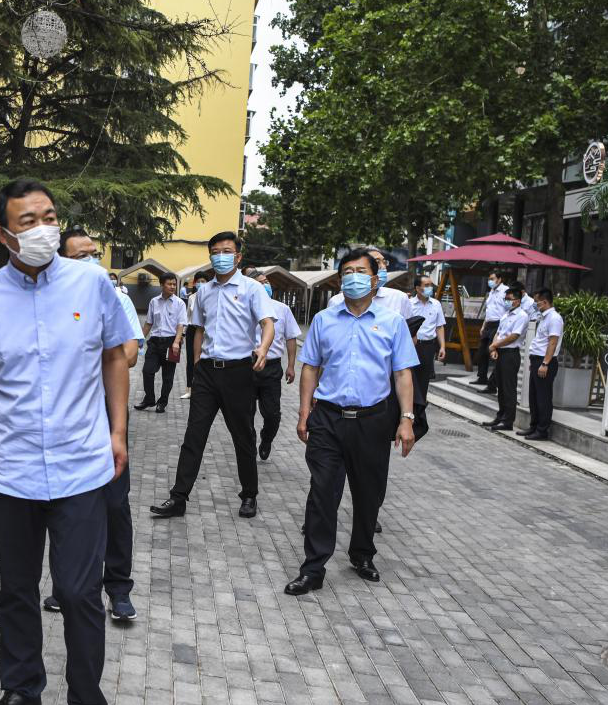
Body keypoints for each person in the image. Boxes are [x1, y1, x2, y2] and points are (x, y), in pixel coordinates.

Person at [0, 179, 132, 705]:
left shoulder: (91, 284)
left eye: (49, 216)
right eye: (28, 221)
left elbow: (115, 355)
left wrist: (118, 431)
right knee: (16, 590)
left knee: (78, 593)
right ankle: (22, 692)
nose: (45, 228)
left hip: (81, 468)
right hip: (11, 470)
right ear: (3, 234)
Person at [285, 247, 418, 596]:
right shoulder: (323, 320)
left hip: (373, 420)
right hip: (328, 418)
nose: (353, 278)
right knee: (322, 492)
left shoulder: (392, 322)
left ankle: (362, 554)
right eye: (347, 272)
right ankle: (313, 568)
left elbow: (402, 373)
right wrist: (304, 412)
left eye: (360, 272)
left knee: (368, 493)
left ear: (375, 280)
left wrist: (406, 419)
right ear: (339, 279)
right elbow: (310, 367)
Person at [41, 228, 144, 621]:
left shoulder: (115, 297)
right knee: (64, 501)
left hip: (105, 408)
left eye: (94, 253)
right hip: (64, 413)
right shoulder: (47, 301)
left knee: (114, 502)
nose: (91, 261)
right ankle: (66, 586)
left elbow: (128, 354)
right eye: (80, 255)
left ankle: (118, 588)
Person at [150, 233, 274, 520]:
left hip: (239, 372)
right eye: (215, 252)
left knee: (243, 436)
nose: (221, 256)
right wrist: (196, 365)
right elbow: (199, 330)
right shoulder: (203, 292)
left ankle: (249, 494)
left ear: (238, 257)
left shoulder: (252, 289)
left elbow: (267, 323)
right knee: (194, 435)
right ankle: (178, 498)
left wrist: (264, 348)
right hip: (207, 372)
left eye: (226, 251)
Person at [245, 267, 302, 460]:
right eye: (260, 283)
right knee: (246, 412)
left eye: (266, 282)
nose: (265, 286)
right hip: (246, 366)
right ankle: (250, 442)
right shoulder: (243, 307)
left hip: (271, 368)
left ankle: (266, 438)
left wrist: (291, 365)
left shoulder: (282, 309)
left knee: (272, 414)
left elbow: (291, 338)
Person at [136, 272, 186, 413]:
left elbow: (181, 325)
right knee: (147, 371)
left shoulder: (179, 303)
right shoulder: (154, 302)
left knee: (168, 376)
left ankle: (162, 402)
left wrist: (176, 342)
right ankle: (149, 399)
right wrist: (140, 339)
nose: (173, 287)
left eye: (174, 284)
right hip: (155, 342)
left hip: (171, 342)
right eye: (169, 284)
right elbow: (148, 323)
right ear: (162, 285)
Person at [483, 282, 529, 432]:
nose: (506, 301)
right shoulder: (505, 315)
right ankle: (500, 416)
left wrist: (495, 345)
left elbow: (513, 336)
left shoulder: (522, 316)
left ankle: (508, 421)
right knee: (501, 388)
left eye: (509, 299)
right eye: (505, 299)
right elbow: (499, 332)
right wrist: (494, 348)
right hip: (500, 352)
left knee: (509, 388)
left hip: (510, 354)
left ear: (517, 300)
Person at [520, 288, 563, 441]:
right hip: (537, 360)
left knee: (543, 398)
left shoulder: (554, 318)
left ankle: (542, 430)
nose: (535, 305)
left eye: (537, 302)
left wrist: (545, 363)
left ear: (544, 302)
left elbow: (552, 342)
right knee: (533, 396)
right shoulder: (544, 317)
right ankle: (534, 426)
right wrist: (535, 362)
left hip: (546, 361)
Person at [326, 247, 412, 319]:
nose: (383, 267)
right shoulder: (336, 301)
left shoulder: (399, 298)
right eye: (377, 262)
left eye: (384, 262)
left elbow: (409, 330)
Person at [408, 274, 447, 401]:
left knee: (424, 379)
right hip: (412, 346)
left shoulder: (436, 304)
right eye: (426, 285)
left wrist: (442, 347)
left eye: (431, 285)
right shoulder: (409, 304)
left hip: (428, 346)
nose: (430, 288)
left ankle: (421, 408)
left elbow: (439, 327)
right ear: (417, 288)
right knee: (410, 378)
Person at [472, 270, 510, 389]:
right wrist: (483, 325)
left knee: (493, 352)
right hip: (488, 324)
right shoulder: (491, 292)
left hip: (499, 324)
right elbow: (489, 310)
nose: (490, 281)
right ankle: (482, 377)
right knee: (482, 352)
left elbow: (508, 309)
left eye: (492, 279)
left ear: (499, 279)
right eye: (489, 279)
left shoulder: (506, 291)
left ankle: (493, 384)